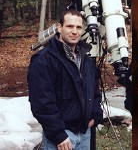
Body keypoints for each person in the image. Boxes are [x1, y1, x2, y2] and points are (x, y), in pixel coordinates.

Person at [28, 9, 103, 150]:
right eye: (70, 26)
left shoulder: (86, 61)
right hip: (62, 138)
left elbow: (94, 93)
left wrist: (95, 116)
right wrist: (58, 135)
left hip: (84, 133)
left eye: (79, 27)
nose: (75, 31)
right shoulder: (44, 60)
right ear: (59, 28)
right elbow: (42, 102)